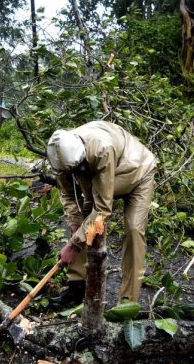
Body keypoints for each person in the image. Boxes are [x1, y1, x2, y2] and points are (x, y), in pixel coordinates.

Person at [48, 121, 157, 306]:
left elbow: (102, 210)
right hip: (105, 173)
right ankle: (76, 287)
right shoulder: (59, 158)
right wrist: (74, 224)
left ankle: (128, 302)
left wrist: (74, 246)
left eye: (77, 170)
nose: (74, 174)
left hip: (138, 172)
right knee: (82, 221)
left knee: (134, 230)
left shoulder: (101, 149)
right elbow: (67, 194)